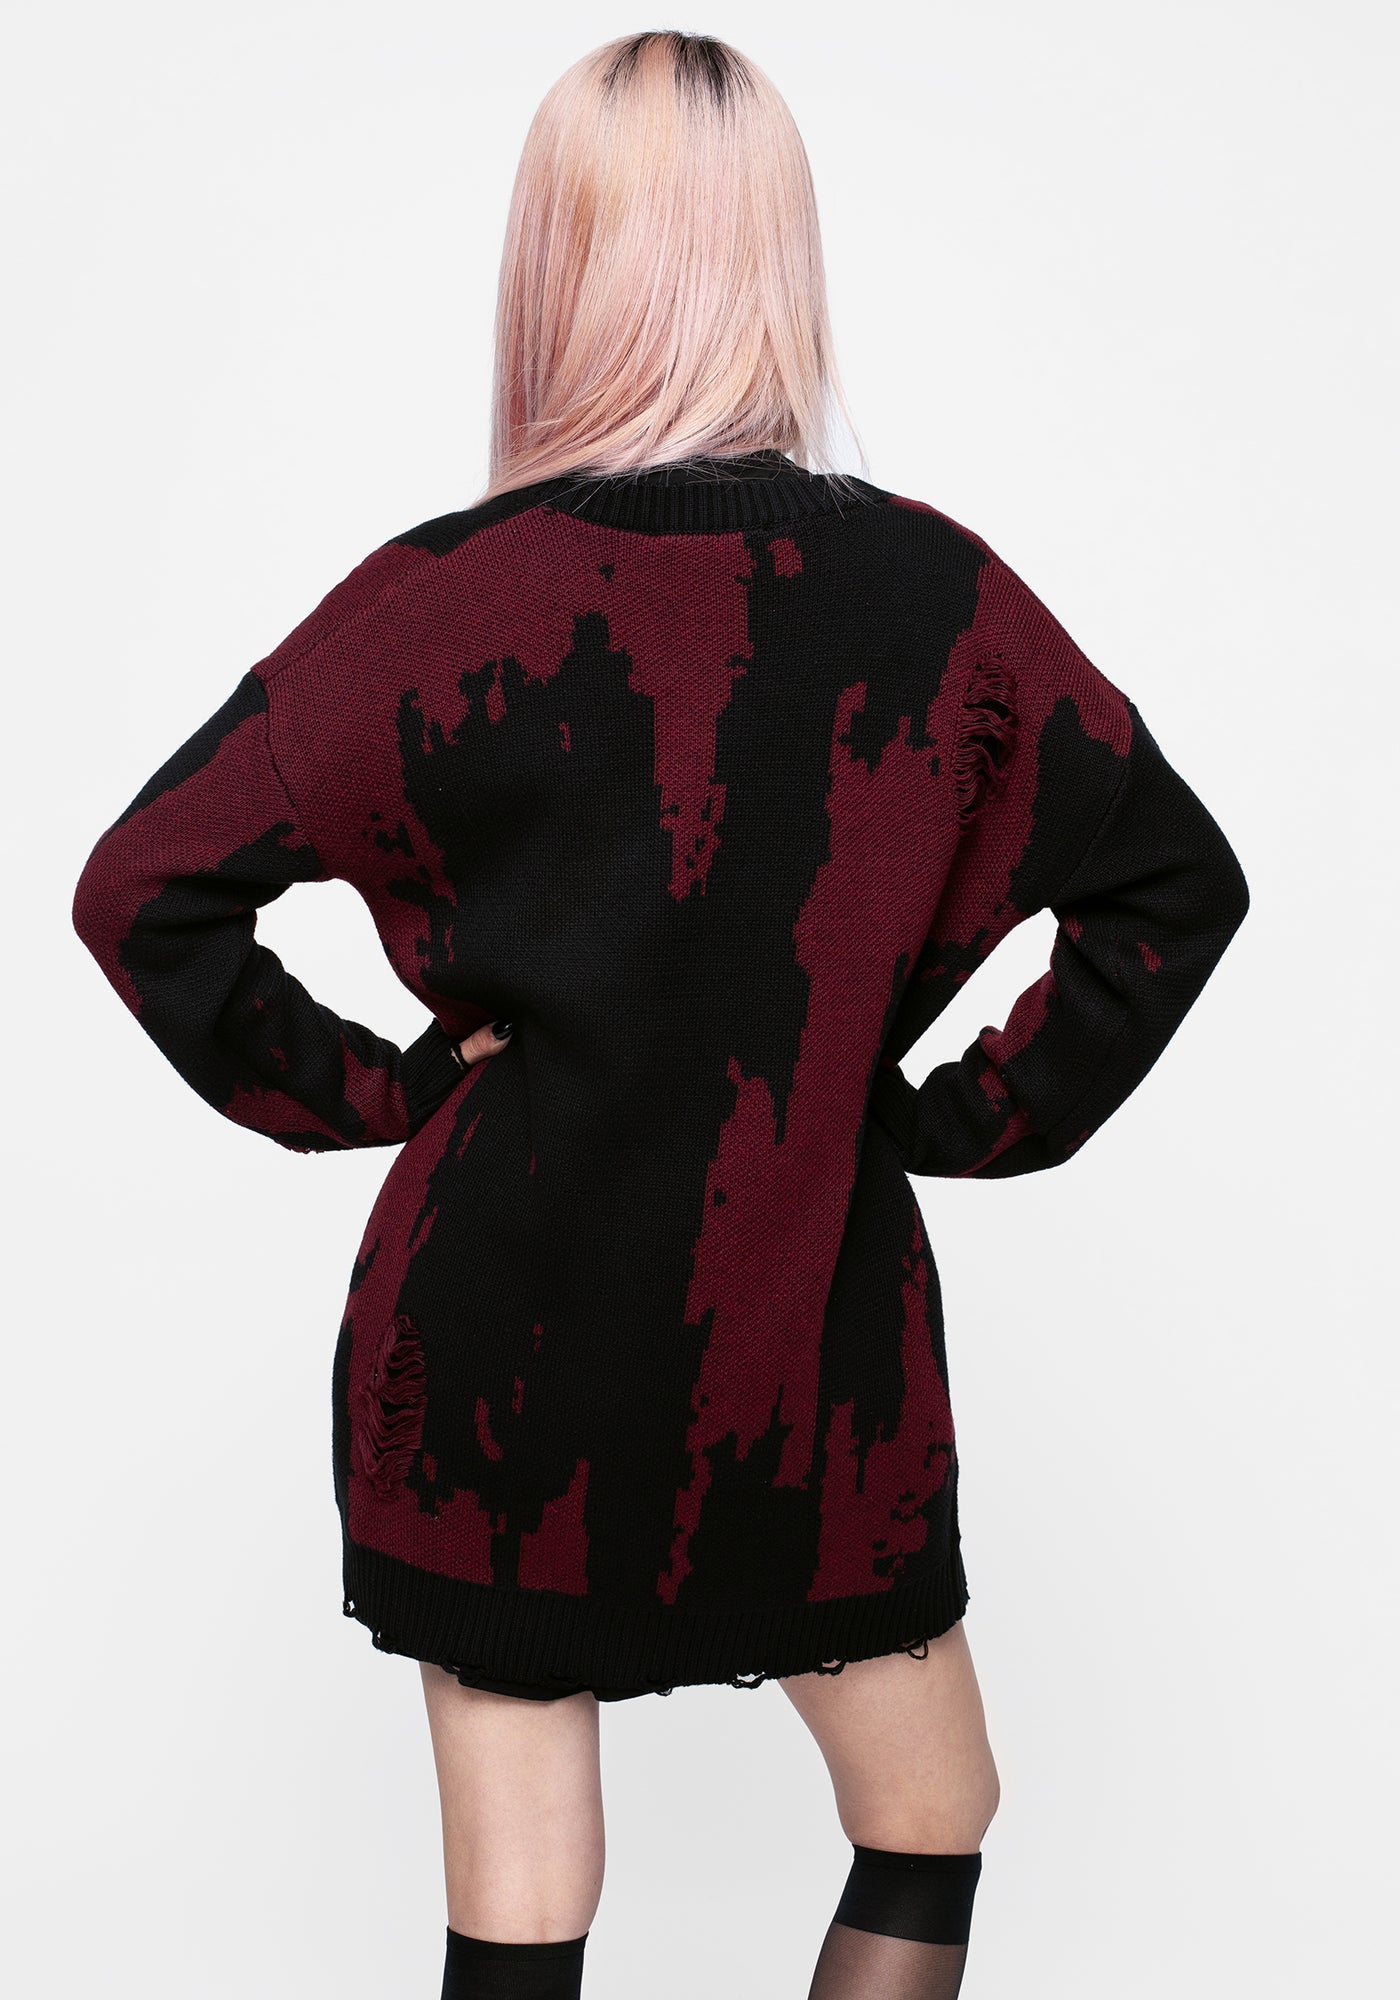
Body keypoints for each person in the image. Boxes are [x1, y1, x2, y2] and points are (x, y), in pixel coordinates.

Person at [69, 29, 1249, 2000]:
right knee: (929, 1820)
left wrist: (383, 1090)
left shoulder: (436, 603)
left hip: (493, 1357)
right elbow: (1172, 882)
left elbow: (143, 887)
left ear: (555, 263)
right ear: (778, 255)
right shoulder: (939, 602)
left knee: (520, 1909)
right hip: (808, 1345)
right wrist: (953, 1116)